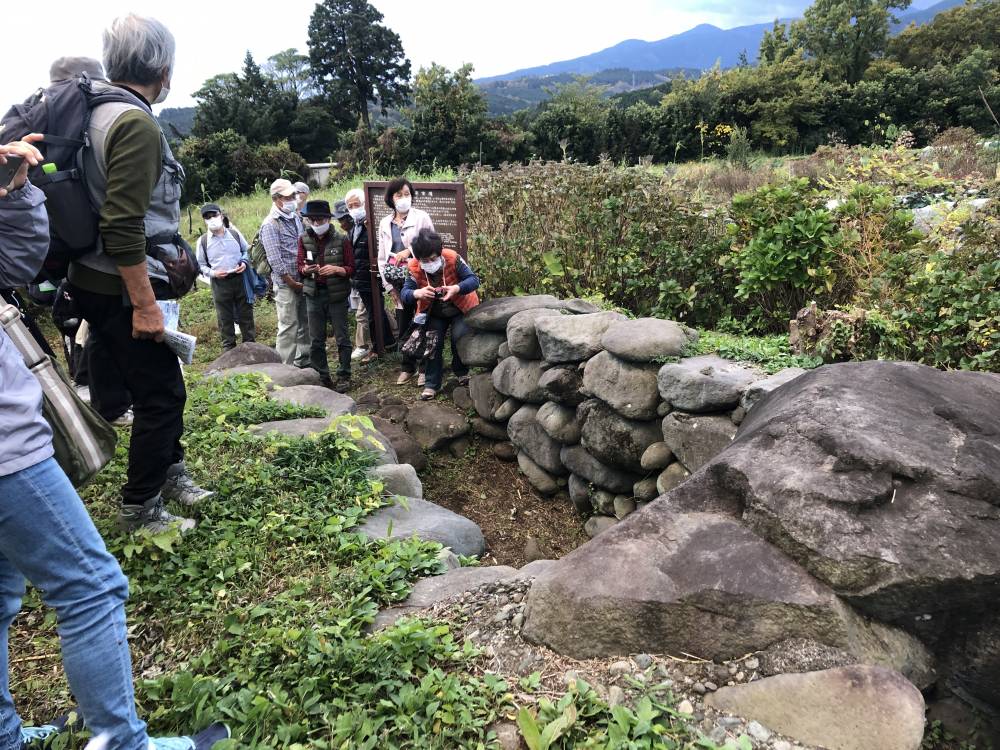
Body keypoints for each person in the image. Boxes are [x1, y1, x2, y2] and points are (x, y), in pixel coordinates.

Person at [0, 137, 230, 750]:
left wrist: (18, 191)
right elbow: (110, 230)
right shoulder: (129, 127)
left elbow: (17, 264)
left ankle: (4, 733)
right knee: (90, 585)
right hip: (3, 446)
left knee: (0, 591)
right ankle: (124, 744)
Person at [66, 14, 212, 534]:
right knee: (162, 395)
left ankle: (169, 470)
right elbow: (123, 224)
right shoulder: (134, 123)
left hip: (91, 276)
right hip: (119, 285)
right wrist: (146, 303)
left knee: (158, 383)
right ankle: (141, 508)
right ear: (163, 69)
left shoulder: (96, 110)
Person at [402, 229, 480, 401]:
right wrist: (418, 293)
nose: (430, 263)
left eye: (433, 258)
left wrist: (457, 288)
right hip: (433, 311)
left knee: (459, 336)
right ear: (418, 258)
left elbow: (474, 280)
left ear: (439, 252)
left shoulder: (452, 258)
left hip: (460, 306)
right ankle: (431, 384)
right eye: (425, 260)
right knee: (432, 343)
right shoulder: (414, 267)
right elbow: (405, 294)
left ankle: (461, 372)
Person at [377, 177, 434, 385]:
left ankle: (424, 369)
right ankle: (407, 366)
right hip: (398, 283)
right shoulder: (385, 223)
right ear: (391, 198)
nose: (403, 198)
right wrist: (389, 286)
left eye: (407, 194)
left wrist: (408, 251)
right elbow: (382, 258)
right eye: (398, 195)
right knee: (404, 325)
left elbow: (432, 246)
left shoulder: (421, 217)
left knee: (424, 323)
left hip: (420, 279)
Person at [297, 200, 354, 390]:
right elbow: (299, 266)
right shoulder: (303, 239)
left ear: (328, 220)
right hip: (314, 294)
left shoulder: (342, 239)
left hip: (336, 294)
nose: (316, 224)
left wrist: (337, 269)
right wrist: (306, 270)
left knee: (342, 337)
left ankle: (344, 375)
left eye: (320, 219)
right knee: (316, 339)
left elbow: (351, 268)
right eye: (312, 220)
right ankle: (322, 375)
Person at [261, 178, 310, 367]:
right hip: (285, 284)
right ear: (277, 199)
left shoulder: (295, 218)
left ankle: (303, 361)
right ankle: (284, 368)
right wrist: (291, 282)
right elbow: (275, 260)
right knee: (288, 326)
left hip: (301, 277)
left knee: (304, 323)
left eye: (293, 195)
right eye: (288, 196)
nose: (293, 199)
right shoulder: (270, 224)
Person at [195, 202, 256, 351]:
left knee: (245, 314)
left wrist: (243, 262)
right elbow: (200, 265)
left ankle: (251, 346)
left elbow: (246, 250)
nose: (212, 219)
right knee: (224, 317)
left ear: (221, 215)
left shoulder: (234, 233)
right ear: (204, 220)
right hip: (219, 282)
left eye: (214, 215)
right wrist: (214, 273)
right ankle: (229, 349)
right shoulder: (203, 241)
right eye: (208, 217)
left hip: (239, 278)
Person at [346, 187, 392, 363]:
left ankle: (378, 347)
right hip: (361, 278)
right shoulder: (356, 227)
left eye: (356, 204)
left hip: (372, 275)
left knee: (374, 313)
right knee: (375, 311)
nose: (353, 209)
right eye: (350, 206)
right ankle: (387, 341)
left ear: (365, 204)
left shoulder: (372, 225)